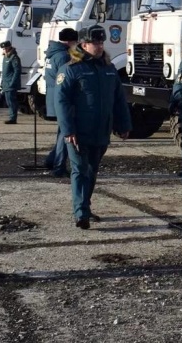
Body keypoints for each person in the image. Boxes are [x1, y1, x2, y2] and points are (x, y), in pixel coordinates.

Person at [56, 25, 131, 230]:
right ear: (83, 44)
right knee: (79, 170)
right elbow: (61, 101)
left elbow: (118, 100)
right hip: (79, 131)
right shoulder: (71, 68)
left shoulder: (108, 69)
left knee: (92, 170)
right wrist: (68, 130)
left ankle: (85, 207)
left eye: (101, 42)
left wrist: (123, 125)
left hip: (101, 130)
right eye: (94, 43)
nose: (99, 46)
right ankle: (80, 213)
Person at [43, 28, 79, 177]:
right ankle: (58, 165)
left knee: (61, 132)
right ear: (71, 41)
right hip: (63, 100)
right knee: (65, 133)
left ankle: (52, 159)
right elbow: (67, 79)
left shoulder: (52, 54)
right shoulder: (64, 56)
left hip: (52, 97)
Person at [0, 41, 22, 124]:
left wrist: (13, 82)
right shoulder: (5, 57)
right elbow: (4, 72)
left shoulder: (14, 57)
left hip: (11, 83)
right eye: (3, 48)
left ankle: (13, 118)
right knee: (8, 101)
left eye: (5, 48)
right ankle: (11, 116)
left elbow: (17, 71)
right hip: (6, 83)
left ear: (9, 47)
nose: (4, 50)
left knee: (12, 101)